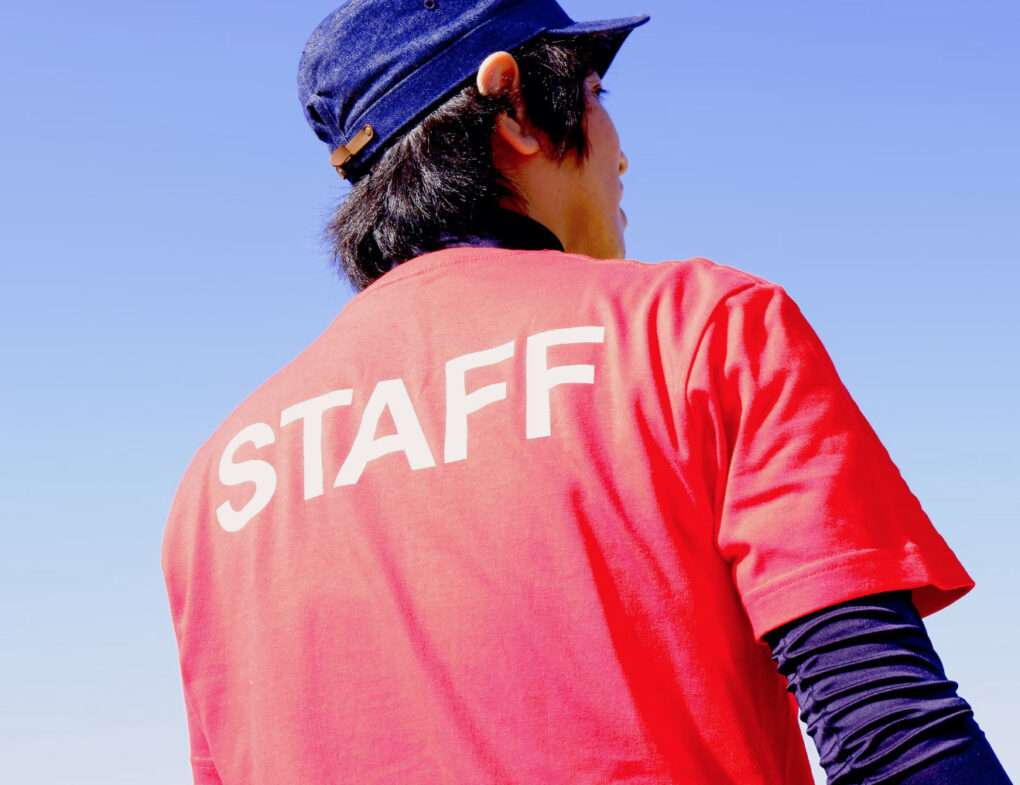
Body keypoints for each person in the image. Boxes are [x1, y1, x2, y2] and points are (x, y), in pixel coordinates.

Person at [162, 2, 1013, 784]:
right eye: (597, 92)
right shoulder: (699, 329)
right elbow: (891, 729)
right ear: (519, 112)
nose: (621, 149)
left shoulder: (214, 486)